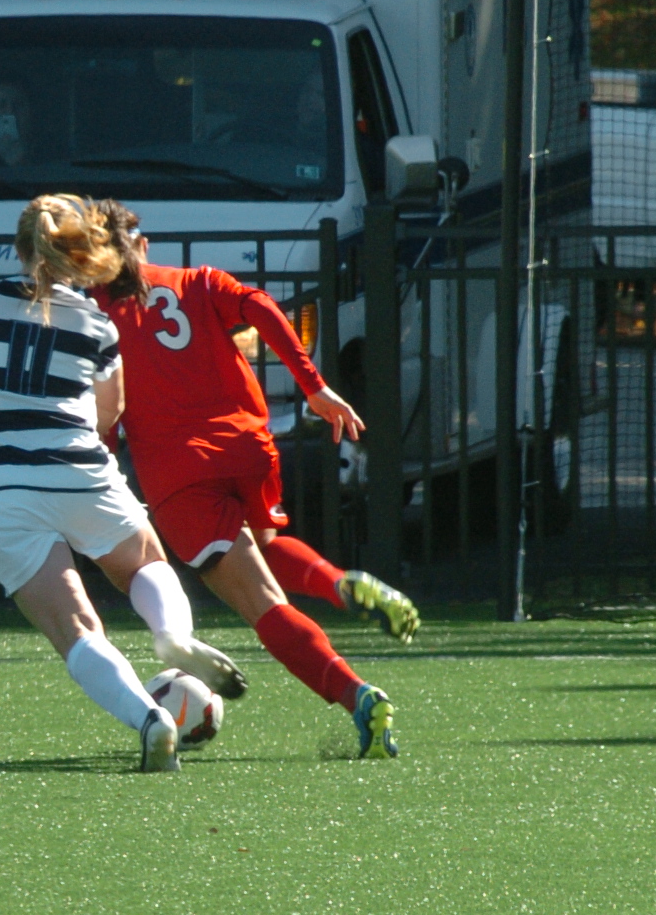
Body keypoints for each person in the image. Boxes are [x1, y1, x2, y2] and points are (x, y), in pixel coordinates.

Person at [0, 192, 245, 774]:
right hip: (79, 470)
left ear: (18, 247)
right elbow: (111, 411)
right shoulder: (96, 324)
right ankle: (170, 635)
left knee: (75, 628)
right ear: (81, 251)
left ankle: (149, 720)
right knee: (144, 564)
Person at [91, 199, 418, 759]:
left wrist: (106, 464)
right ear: (143, 246)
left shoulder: (94, 317)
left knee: (262, 603)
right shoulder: (196, 281)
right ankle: (338, 583)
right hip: (247, 447)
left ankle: (358, 695)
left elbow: (108, 409)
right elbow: (261, 305)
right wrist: (314, 386)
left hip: (179, 475)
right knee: (262, 546)